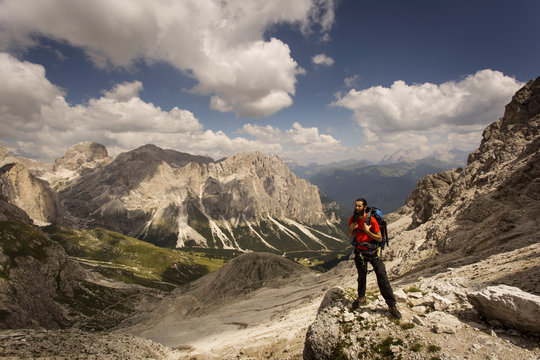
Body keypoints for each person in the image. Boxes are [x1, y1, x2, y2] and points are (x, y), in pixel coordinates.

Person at [349, 197, 401, 319]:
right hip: (360, 253)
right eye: (356, 206)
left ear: (365, 207)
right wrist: (352, 228)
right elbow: (351, 234)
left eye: (359, 206)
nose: (356, 208)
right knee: (361, 277)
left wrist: (367, 231)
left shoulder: (371, 220)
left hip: (373, 253)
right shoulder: (353, 218)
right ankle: (361, 298)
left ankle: (392, 305)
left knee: (382, 278)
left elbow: (379, 238)